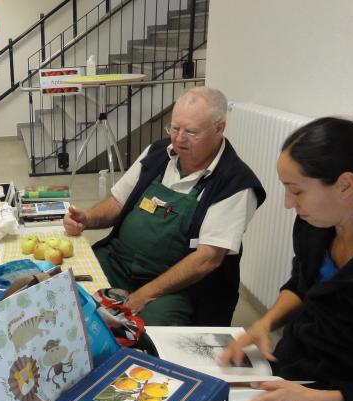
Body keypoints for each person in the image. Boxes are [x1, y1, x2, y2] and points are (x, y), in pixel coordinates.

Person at [210, 118, 353, 401]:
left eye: (296, 191)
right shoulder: (317, 225)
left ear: (345, 185)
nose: (288, 204)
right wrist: (266, 322)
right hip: (304, 373)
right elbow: (302, 283)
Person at [64, 87, 266, 326]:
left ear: (219, 128)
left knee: (147, 336)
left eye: (191, 132)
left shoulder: (235, 182)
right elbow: (117, 202)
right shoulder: (158, 153)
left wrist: (144, 295)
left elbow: (207, 258)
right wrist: (87, 219)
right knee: (67, 295)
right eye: (175, 128)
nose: (179, 139)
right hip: (118, 261)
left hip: (177, 289)